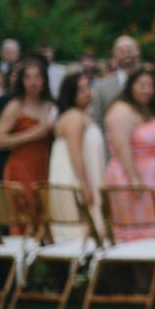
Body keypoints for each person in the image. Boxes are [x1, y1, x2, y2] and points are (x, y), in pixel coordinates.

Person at [104, 67, 155, 240]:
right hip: (135, 178)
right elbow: (122, 147)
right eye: (142, 85)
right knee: (141, 228)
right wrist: (134, 179)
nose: (147, 90)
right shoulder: (121, 110)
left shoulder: (147, 109)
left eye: (150, 85)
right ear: (131, 86)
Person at [48, 72, 106, 238]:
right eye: (81, 89)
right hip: (75, 178)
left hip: (84, 175)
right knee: (81, 230)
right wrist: (85, 188)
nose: (87, 93)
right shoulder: (74, 118)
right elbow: (75, 155)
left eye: (88, 87)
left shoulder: (82, 116)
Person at [0, 56, 58, 199]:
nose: (33, 83)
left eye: (37, 77)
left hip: (45, 166)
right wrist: (32, 134)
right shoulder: (16, 106)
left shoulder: (51, 106)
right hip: (21, 168)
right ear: (22, 81)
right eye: (28, 78)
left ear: (44, 80)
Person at [92, 35, 142, 125]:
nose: (126, 54)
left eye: (129, 50)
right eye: (121, 51)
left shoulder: (151, 82)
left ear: (138, 52)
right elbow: (98, 120)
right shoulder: (102, 88)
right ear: (114, 56)